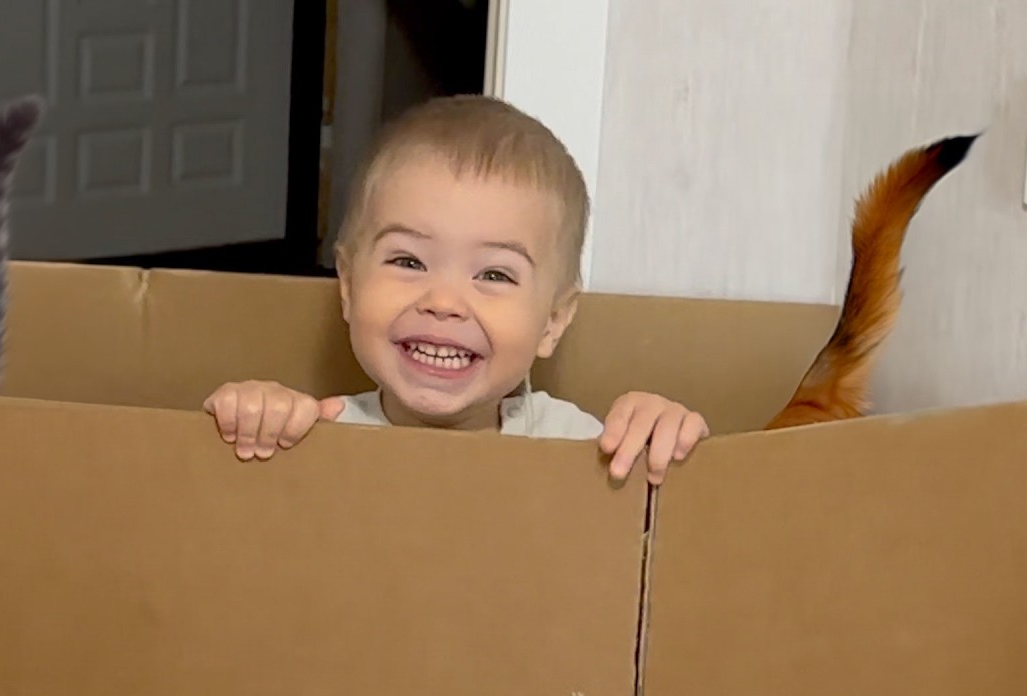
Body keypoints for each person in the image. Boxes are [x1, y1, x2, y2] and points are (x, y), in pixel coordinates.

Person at [204, 94, 708, 485]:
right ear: (349, 285)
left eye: (494, 275)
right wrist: (250, 421)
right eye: (408, 260)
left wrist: (664, 441)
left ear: (553, 319)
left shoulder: (586, 449)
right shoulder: (314, 435)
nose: (443, 303)